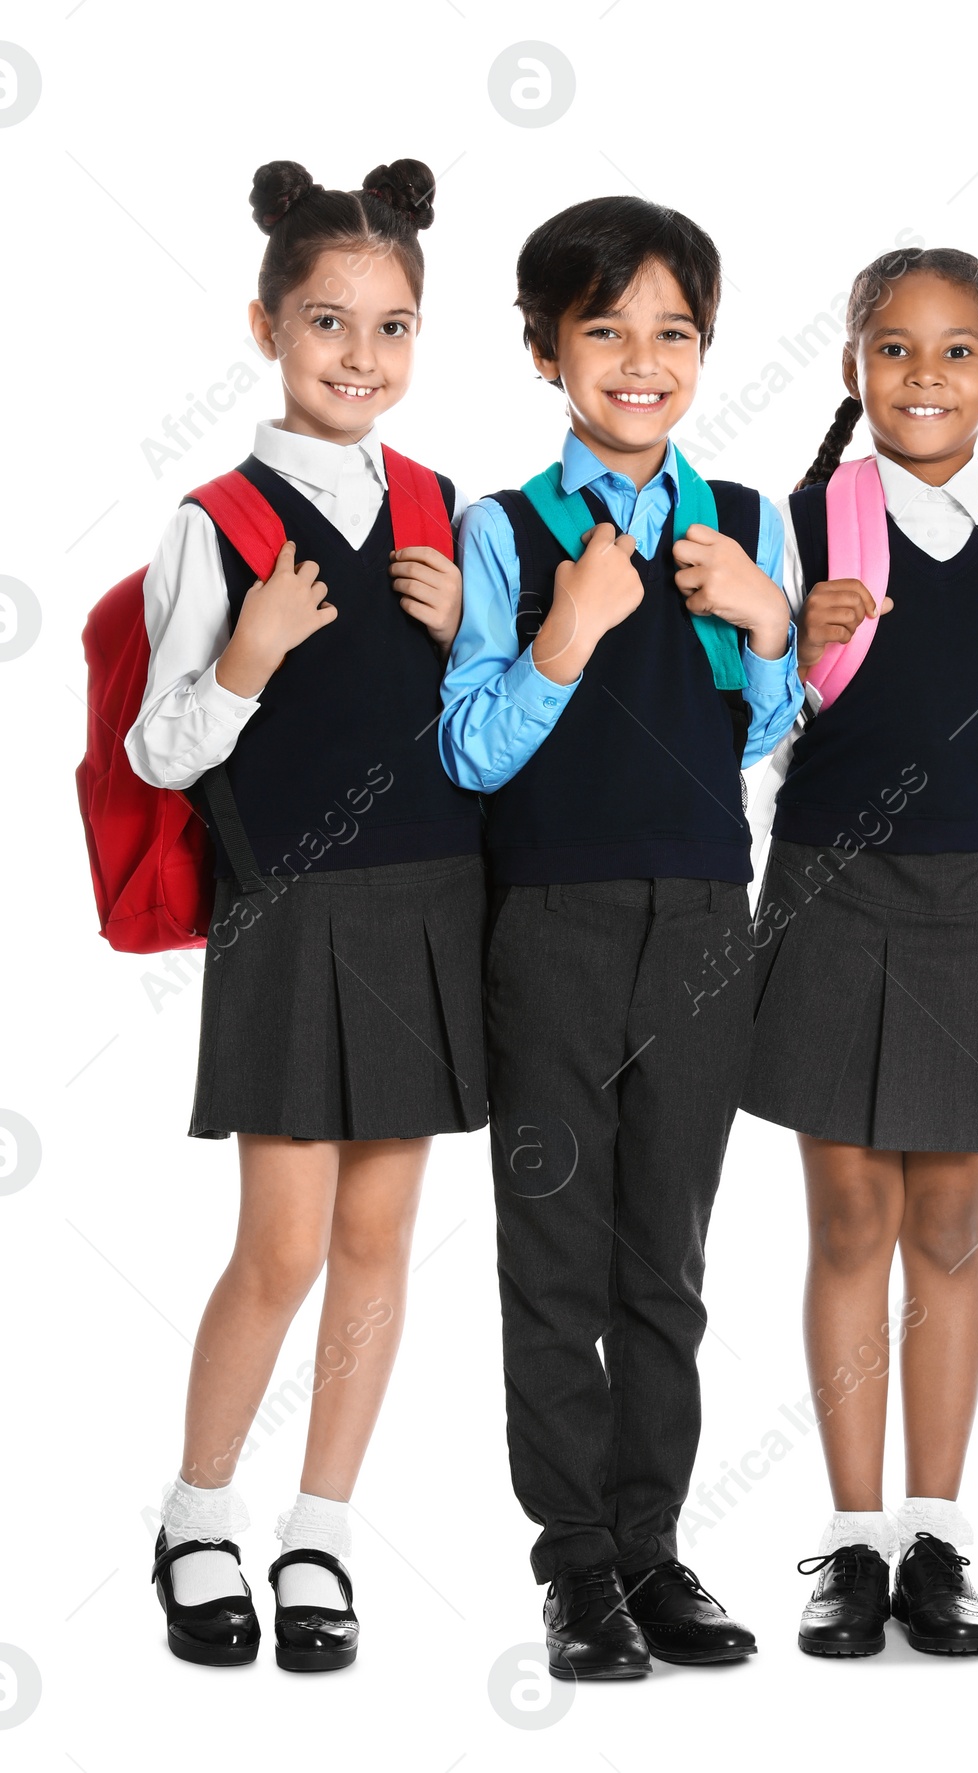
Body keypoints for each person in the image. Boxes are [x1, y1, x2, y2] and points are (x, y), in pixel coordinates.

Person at [741, 246, 978, 1657]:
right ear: (854, 369)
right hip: (828, 886)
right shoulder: (797, 523)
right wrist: (793, 645)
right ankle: (854, 1544)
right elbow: (748, 733)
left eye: (956, 350)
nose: (924, 376)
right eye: (893, 350)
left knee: (952, 1227)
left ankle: (939, 1536)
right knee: (851, 1218)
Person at [127, 159, 485, 1672]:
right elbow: (160, 750)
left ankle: (321, 1526)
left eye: (392, 325)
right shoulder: (213, 522)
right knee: (279, 1244)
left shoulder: (439, 506)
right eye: (328, 321)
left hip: (427, 904)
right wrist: (253, 655)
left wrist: (470, 632)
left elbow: (477, 729)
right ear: (266, 324)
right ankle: (197, 1511)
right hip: (290, 909)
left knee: (382, 1238)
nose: (360, 355)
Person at [438, 196, 803, 1680]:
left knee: (669, 1258)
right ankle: (574, 1565)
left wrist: (770, 626)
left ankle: (652, 1548)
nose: (641, 360)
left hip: (708, 922)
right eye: (606, 330)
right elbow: (470, 749)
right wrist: (565, 633)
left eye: (673, 332)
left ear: (704, 350)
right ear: (545, 351)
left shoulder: (749, 524)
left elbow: (770, 736)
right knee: (555, 1256)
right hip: (551, 927)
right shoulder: (506, 529)